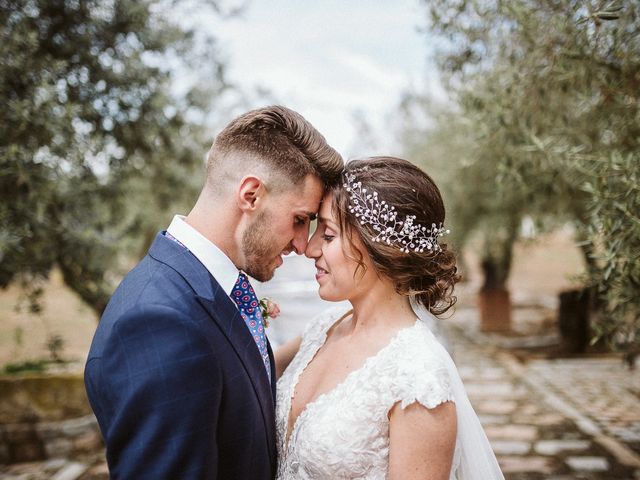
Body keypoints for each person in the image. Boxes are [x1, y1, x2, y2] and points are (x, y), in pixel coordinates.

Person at [84, 105, 343, 479]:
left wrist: (329, 335)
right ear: (251, 195)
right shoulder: (159, 324)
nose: (303, 245)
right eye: (300, 220)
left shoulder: (203, 285)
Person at [275, 157, 504, 479]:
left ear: (383, 244)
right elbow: (244, 373)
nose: (310, 249)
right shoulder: (324, 328)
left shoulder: (419, 377)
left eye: (327, 235)